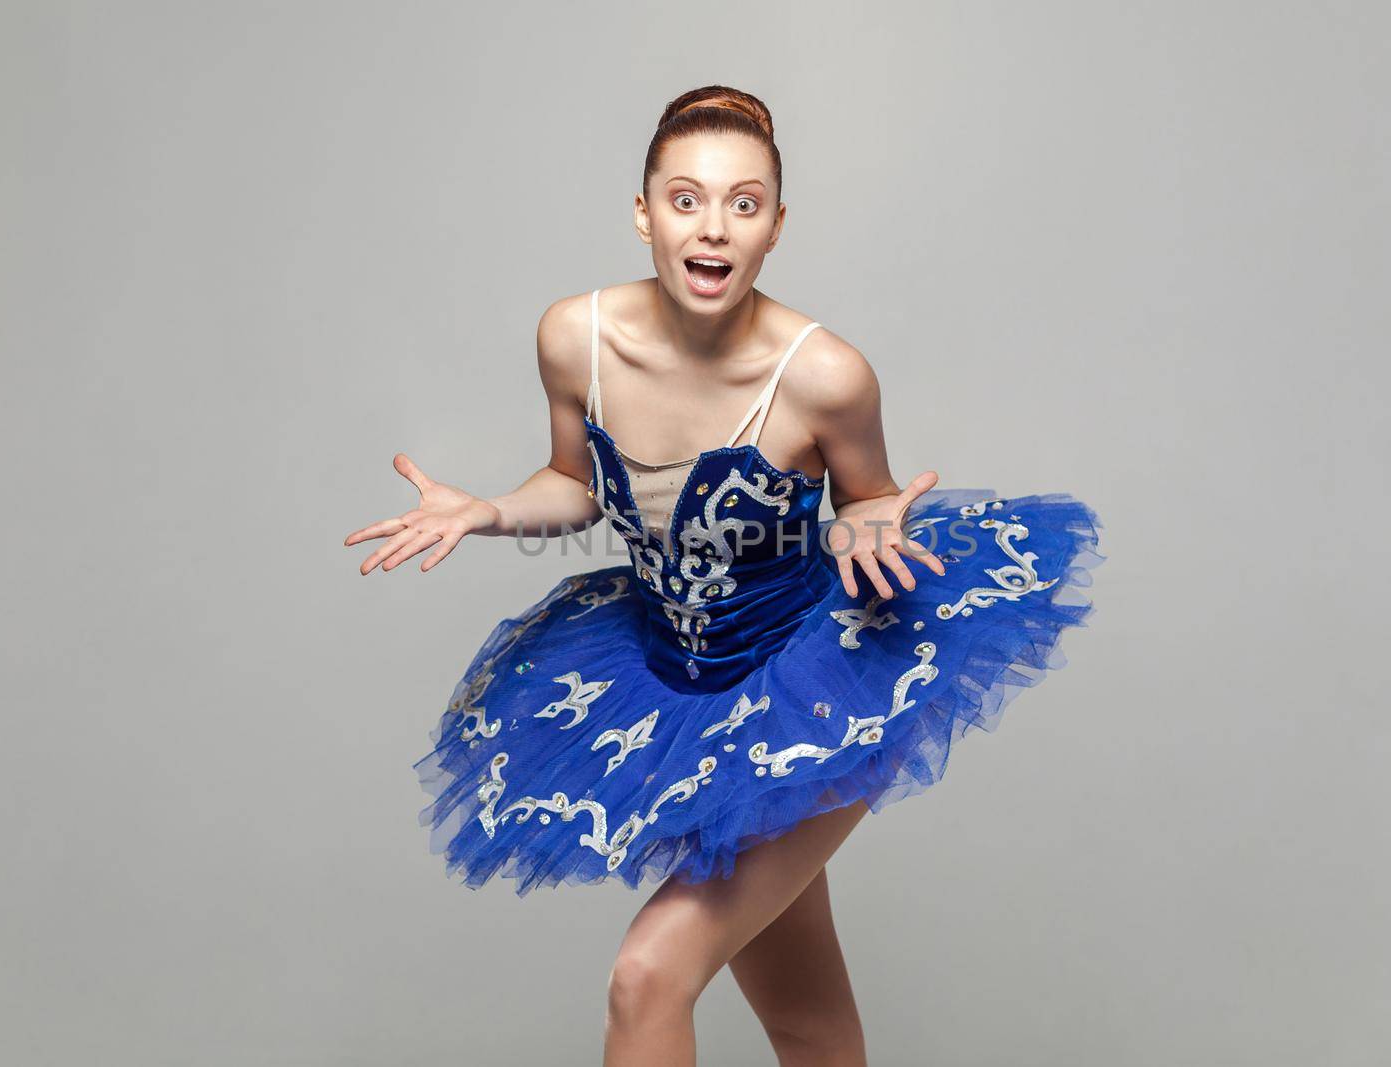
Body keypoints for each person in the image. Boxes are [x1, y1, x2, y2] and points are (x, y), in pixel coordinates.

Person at [344, 85, 1104, 1066]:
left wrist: (864, 524)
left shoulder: (826, 375)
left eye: (744, 203)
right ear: (643, 211)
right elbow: (573, 488)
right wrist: (489, 510)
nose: (712, 228)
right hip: (669, 692)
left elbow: (867, 508)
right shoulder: (573, 338)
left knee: (646, 976)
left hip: (811, 691)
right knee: (807, 1018)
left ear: (775, 226)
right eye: (685, 199)